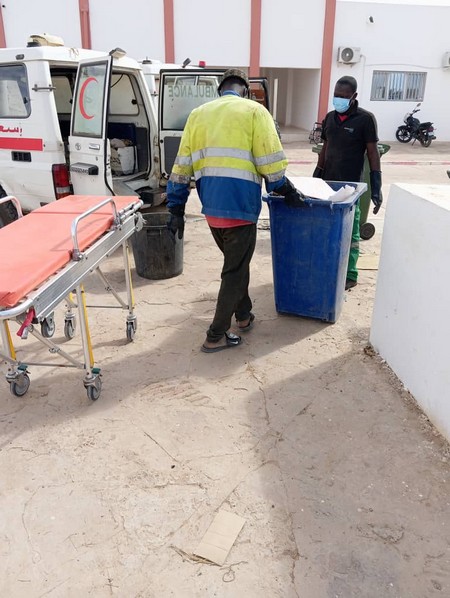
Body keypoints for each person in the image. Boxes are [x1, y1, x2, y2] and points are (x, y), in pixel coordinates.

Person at [166, 68, 305, 353]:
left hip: (212, 210)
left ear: (220, 90)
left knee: (235, 265)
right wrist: (288, 190)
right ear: (246, 90)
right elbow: (270, 164)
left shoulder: (198, 115)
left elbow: (181, 167)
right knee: (234, 271)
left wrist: (176, 208)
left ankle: (243, 316)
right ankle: (215, 335)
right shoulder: (255, 112)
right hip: (241, 208)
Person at [313, 75, 382, 290]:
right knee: (326, 229)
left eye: (344, 96)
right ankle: (328, 267)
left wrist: (376, 186)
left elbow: (373, 153)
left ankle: (349, 274)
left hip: (351, 187)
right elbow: (325, 148)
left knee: (350, 232)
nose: (339, 100)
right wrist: (316, 174)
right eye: (336, 95)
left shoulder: (365, 119)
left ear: (354, 96)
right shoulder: (330, 118)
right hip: (327, 184)